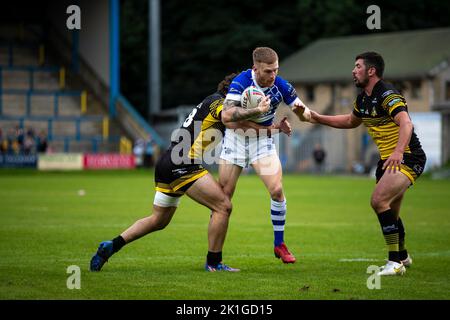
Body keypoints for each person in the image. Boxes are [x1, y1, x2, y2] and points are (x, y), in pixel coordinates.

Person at [90, 72, 291, 272]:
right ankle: (214, 263)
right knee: (223, 206)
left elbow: (244, 127)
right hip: (183, 164)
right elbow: (234, 119)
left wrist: (274, 128)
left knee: (158, 220)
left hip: (167, 163)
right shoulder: (219, 104)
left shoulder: (212, 102)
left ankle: (112, 245)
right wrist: (259, 112)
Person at [295, 52, 426, 276]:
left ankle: (394, 263)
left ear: (371, 71)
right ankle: (402, 255)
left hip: (407, 156)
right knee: (390, 211)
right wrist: (316, 117)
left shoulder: (387, 94)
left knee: (378, 200)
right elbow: (349, 121)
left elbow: (406, 123)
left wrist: (397, 152)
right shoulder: (363, 98)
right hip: (388, 160)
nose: (353, 71)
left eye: (357, 66)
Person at [219, 47, 310, 264]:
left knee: (277, 190)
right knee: (223, 199)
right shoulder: (241, 82)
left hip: (262, 142)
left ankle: (279, 244)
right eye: (268, 71)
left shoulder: (281, 85)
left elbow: (303, 111)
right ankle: (215, 257)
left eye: (276, 70)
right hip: (236, 139)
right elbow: (227, 115)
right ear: (255, 69)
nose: (273, 75)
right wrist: (257, 111)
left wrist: (304, 114)